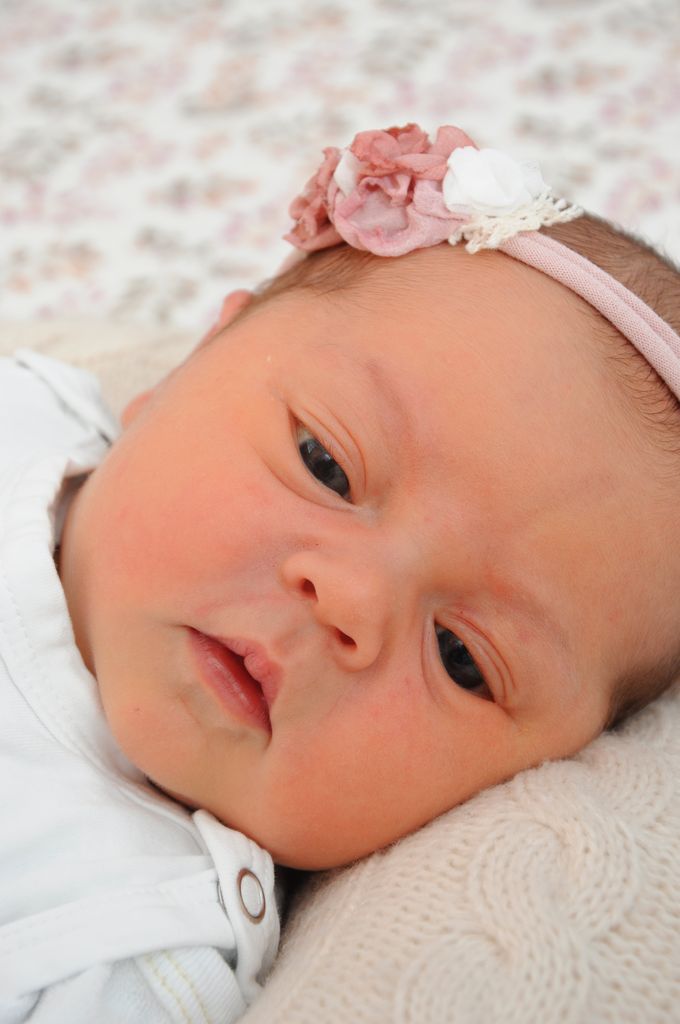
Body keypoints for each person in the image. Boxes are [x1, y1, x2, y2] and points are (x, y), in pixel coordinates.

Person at [2, 122, 679, 1022]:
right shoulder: (25, 408)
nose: (352, 600)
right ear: (189, 364)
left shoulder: (123, 953)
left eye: (462, 657)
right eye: (326, 464)